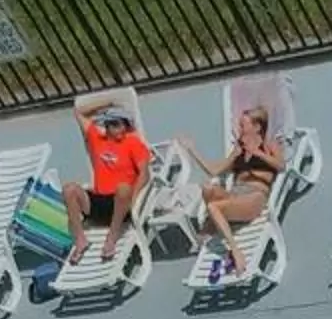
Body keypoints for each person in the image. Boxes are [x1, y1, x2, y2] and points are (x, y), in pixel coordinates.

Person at [175, 105, 287, 279]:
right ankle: (213, 225)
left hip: (254, 197)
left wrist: (257, 153)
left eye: (243, 125)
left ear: (257, 127)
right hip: (235, 195)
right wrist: (192, 149)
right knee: (207, 188)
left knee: (213, 208)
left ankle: (235, 251)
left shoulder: (270, 144)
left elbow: (281, 166)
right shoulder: (238, 150)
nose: (239, 129)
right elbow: (214, 171)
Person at [63, 96, 154, 267]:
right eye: (113, 124)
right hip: (98, 202)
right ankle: (80, 240)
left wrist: (133, 200)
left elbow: (145, 174)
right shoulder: (97, 138)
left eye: (122, 124)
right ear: (106, 126)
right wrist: (108, 103)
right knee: (69, 189)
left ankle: (111, 238)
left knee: (123, 188)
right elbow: (78, 112)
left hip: (121, 202)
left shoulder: (133, 143)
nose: (120, 128)